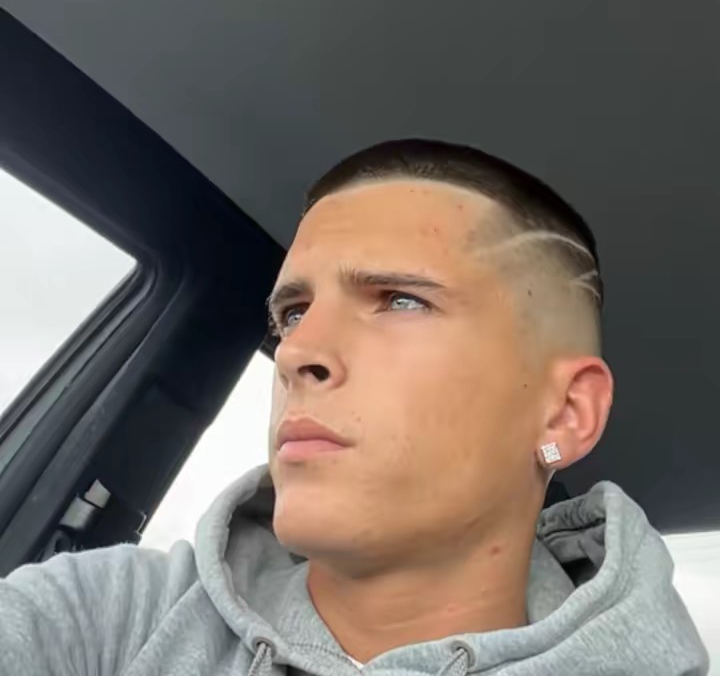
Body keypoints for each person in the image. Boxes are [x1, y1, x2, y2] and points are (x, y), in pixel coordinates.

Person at [0, 140, 708, 675]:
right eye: (292, 313)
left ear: (565, 415)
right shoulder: (109, 616)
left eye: (401, 300)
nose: (296, 352)